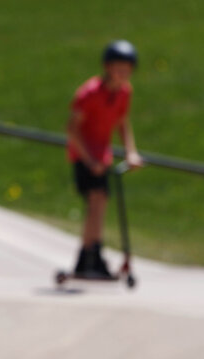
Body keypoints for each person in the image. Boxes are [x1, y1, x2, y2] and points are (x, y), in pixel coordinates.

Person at [66, 40, 143, 279]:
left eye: (127, 69)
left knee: (100, 204)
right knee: (95, 203)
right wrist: (89, 161)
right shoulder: (89, 93)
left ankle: (88, 258)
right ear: (107, 67)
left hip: (103, 157)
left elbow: (122, 122)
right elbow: (72, 129)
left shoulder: (124, 92)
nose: (122, 74)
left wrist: (130, 151)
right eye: (118, 68)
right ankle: (90, 257)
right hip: (84, 156)